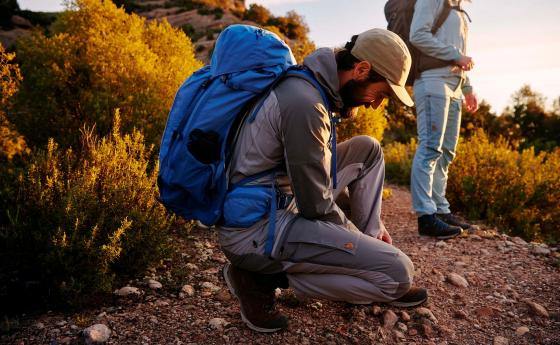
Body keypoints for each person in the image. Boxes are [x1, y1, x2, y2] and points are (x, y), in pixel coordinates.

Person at [219, 28, 427, 333]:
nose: (375, 105)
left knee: (368, 149)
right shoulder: (306, 103)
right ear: (361, 70)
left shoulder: (314, 86)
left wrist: (366, 235)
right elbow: (316, 205)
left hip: (279, 200)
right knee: (397, 274)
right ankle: (258, 277)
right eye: (380, 94)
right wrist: (360, 242)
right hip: (258, 228)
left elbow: (314, 174)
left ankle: (367, 254)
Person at [409, 0, 478, 239]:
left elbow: (459, 51)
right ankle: (425, 217)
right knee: (430, 147)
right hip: (432, 80)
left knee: (447, 151)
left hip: (455, 85)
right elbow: (417, 34)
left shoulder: (458, 7)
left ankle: (441, 210)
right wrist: (455, 55)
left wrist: (468, 87)